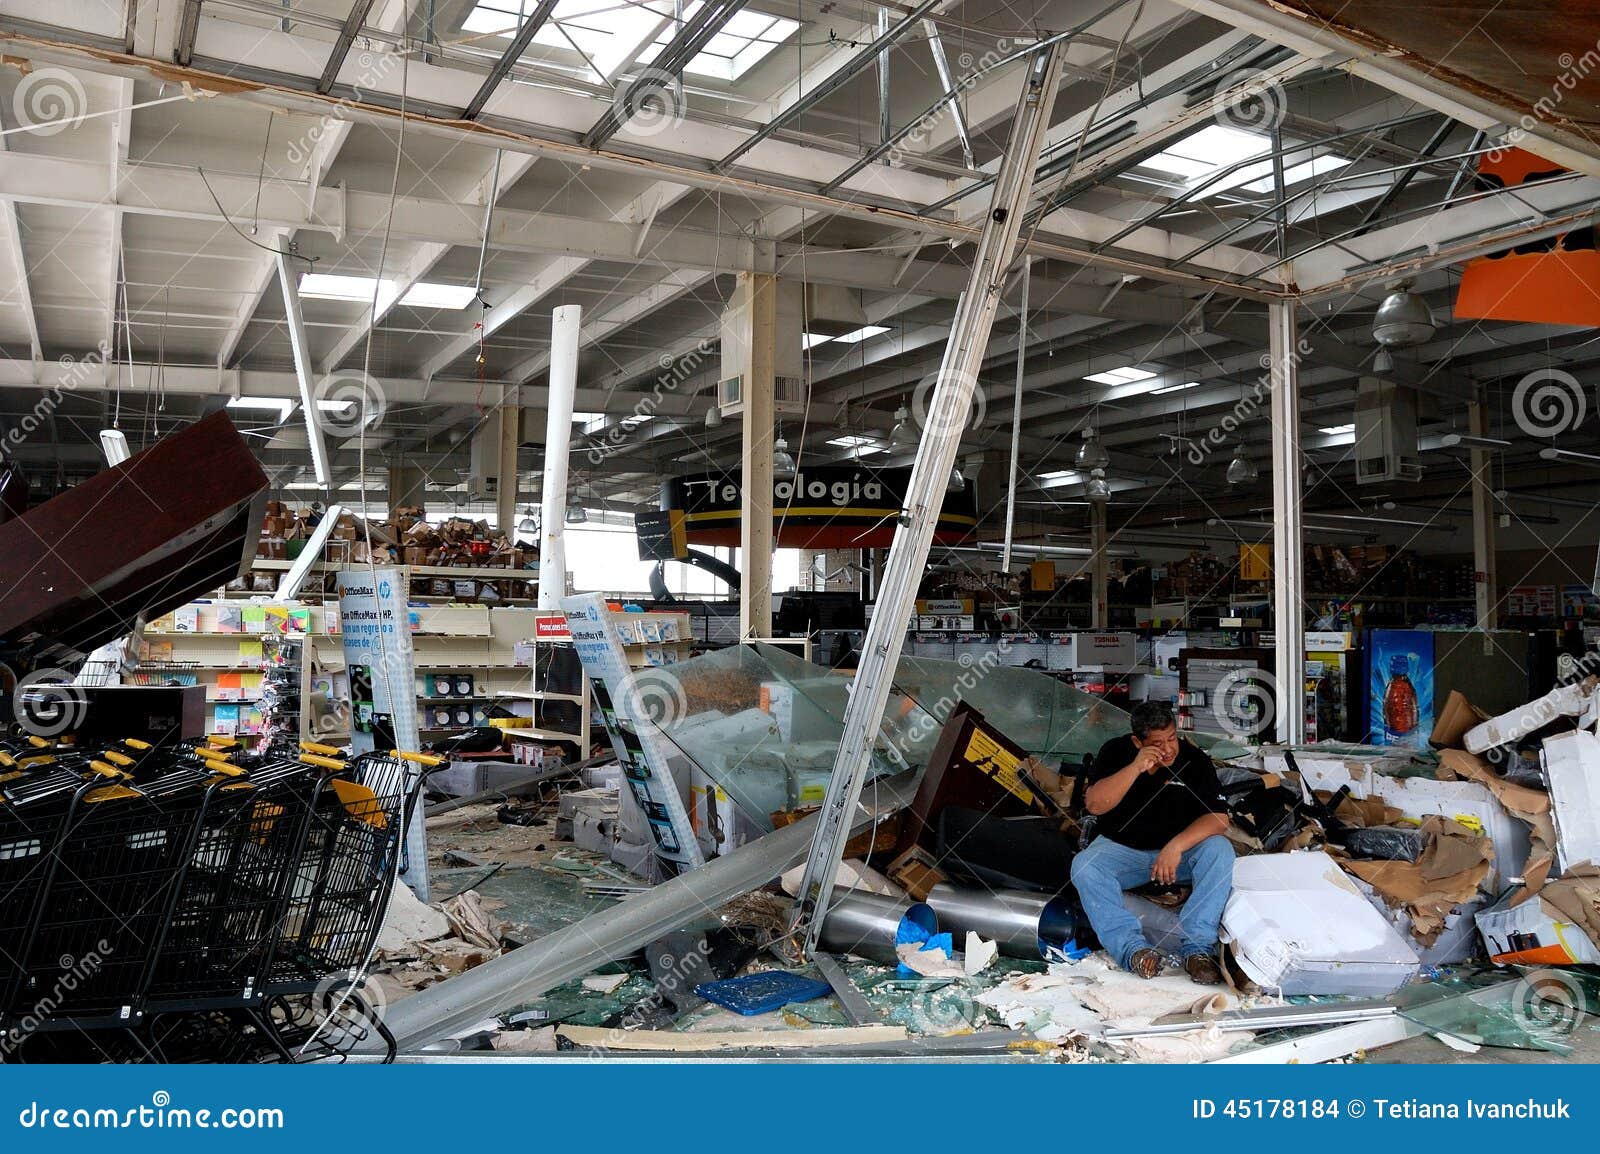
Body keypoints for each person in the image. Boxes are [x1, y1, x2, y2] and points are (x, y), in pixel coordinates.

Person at [1069, 701, 1234, 984]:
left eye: (1172, 738)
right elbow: (1095, 805)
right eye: (1158, 743)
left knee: (1220, 850)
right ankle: (1133, 950)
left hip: (1178, 856)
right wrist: (1135, 768)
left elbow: (1219, 819)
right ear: (1137, 741)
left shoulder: (1195, 760)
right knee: (1084, 866)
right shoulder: (1116, 751)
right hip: (1124, 851)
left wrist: (1176, 846)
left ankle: (1198, 950)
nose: (1168, 749)